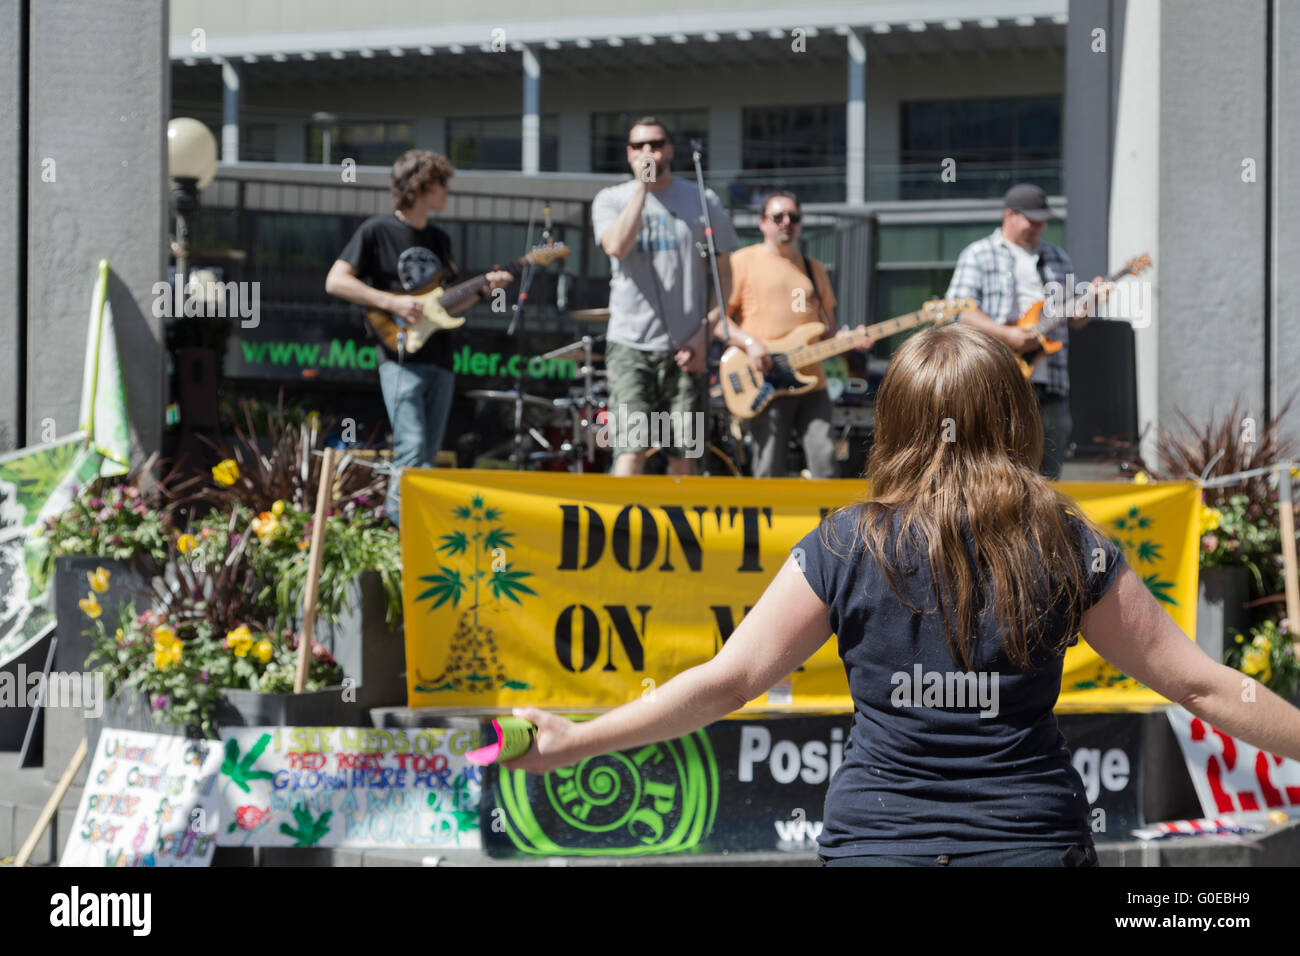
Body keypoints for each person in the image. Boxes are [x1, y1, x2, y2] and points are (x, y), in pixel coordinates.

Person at [506, 323, 1300, 866]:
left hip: (878, 845)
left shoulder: (847, 542)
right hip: (1027, 841)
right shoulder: (1062, 539)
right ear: (1015, 417)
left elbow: (728, 680)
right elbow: (1199, 683)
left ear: (897, 421)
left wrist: (573, 741)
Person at [325, 149, 511, 524]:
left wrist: (484, 289)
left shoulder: (440, 239)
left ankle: (415, 529)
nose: (447, 190)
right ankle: (398, 528)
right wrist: (391, 302)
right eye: (442, 183)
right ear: (420, 186)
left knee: (427, 452)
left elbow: (442, 307)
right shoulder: (376, 230)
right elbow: (336, 281)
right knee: (410, 449)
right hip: (399, 357)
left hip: (440, 358)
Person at [592, 117, 739, 475]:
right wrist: (642, 190)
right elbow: (616, 246)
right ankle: (622, 528)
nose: (648, 152)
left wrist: (705, 334)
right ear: (628, 153)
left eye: (656, 144)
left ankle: (679, 531)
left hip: (687, 349)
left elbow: (727, 276)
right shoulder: (611, 199)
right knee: (631, 448)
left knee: (684, 454)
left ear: (670, 150)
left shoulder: (702, 199)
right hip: (631, 345)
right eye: (639, 146)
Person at [945, 183, 1108, 479]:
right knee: (997, 470)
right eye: (1032, 220)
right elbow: (958, 311)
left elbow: (1075, 319)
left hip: (1051, 386)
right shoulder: (979, 254)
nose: (1038, 226)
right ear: (1010, 215)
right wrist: (1009, 336)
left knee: (1048, 476)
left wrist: (1092, 300)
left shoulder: (1057, 258)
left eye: (1043, 220)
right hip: (997, 381)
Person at [719, 189, 872, 478]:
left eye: (793, 216)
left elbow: (829, 331)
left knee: (825, 460)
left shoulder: (814, 270)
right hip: (764, 380)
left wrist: (852, 340)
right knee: (768, 466)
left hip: (813, 382)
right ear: (763, 222)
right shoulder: (742, 262)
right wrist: (751, 345)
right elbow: (719, 322)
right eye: (778, 216)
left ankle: (827, 522)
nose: (786, 222)